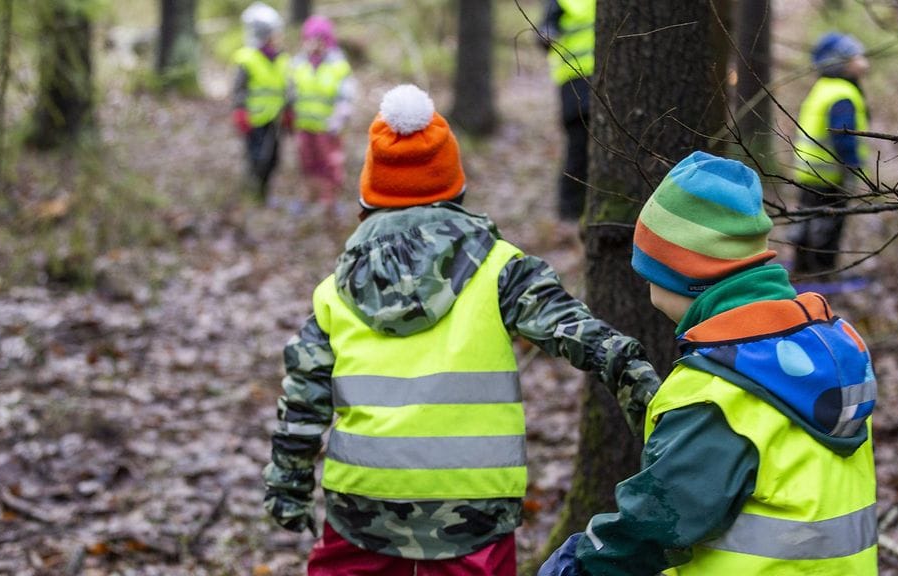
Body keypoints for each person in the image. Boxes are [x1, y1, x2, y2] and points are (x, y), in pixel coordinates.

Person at [263, 84, 662, 576]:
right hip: (475, 508)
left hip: (361, 505)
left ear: (367, 196)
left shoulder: (337, 289)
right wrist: (647, 393)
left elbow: (303, 402)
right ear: (455, 187)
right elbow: (585, 338)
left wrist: (289, 486)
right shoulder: (503, 271)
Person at [539, 151, 878, 575]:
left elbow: (653, 526)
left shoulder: (716, 394)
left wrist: (572, 566)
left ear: (681, 275)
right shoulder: (829, 348)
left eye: (649, 268)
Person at [790, 32, 870, 276]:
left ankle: (801, 265)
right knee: (829, 224)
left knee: (807, 219)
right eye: (855, 57)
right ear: (841, 63)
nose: (863, 62)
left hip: (808, 172)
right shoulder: (842, 94)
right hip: (830, 175)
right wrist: (851, 168)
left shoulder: (822, 87)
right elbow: (843, 137)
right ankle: (823, 271)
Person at [289, 15, 355, 214]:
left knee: (330, 164)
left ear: (327, 40)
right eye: (310, 39)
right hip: (304, 125)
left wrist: (340, 118)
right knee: (306, 162)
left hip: (328, 128)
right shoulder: (298, 64)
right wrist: (289, 114)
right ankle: (308, 197)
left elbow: (346, 96)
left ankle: (330, 201)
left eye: (320, 39)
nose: (314, 44)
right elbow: (291, 92)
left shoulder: (338, 65)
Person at [540, 0, 594, 222]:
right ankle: (569, 213)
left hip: (609, 79)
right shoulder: (560, 2)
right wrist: (546, 34)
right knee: (578, 147)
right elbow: (544, 33)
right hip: (575, 81)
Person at [231, 1, 289, 203]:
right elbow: (239, 89)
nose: (278, 37)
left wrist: (288, 109)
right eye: (275, 33)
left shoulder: (281, 59)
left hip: (275, 120)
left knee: (273, 159)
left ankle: (264, 191)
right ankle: (255, 193)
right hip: (254, 119)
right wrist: (240, 111)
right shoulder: (247, 59)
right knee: (257, 159)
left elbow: (286, 86)